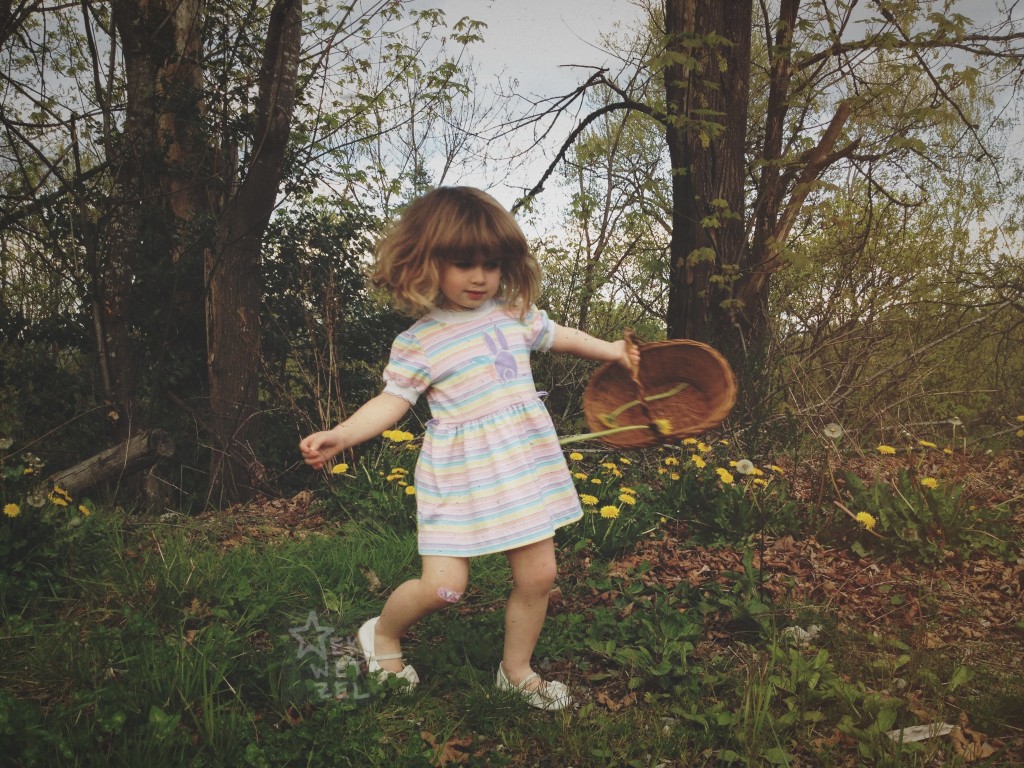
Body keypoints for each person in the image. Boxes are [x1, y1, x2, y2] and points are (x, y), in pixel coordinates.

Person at [299, 186, 638, 710]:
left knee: (539, 576)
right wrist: (343, 434)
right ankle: (381, 634)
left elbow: (562, 335)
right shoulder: (420, 341)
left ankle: (516, 669)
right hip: (459, 477)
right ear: (427, 263)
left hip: (522, 466)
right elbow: (393, 400)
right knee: (445, 588)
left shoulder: (515, 315)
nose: (480, 277)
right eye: (463, 264)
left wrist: (613, 351)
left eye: (492, 264)